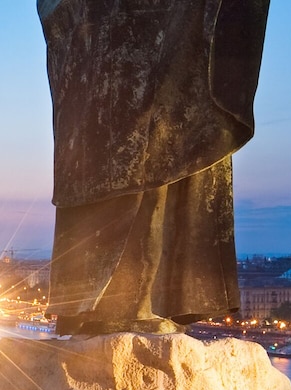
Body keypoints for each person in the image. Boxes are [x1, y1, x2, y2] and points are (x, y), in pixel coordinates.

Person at [40, 0, 272, 335]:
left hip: (150, 33)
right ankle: (119, 304)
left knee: (167, 145)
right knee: (140, 150)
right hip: (118, 36)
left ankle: (142, 301)